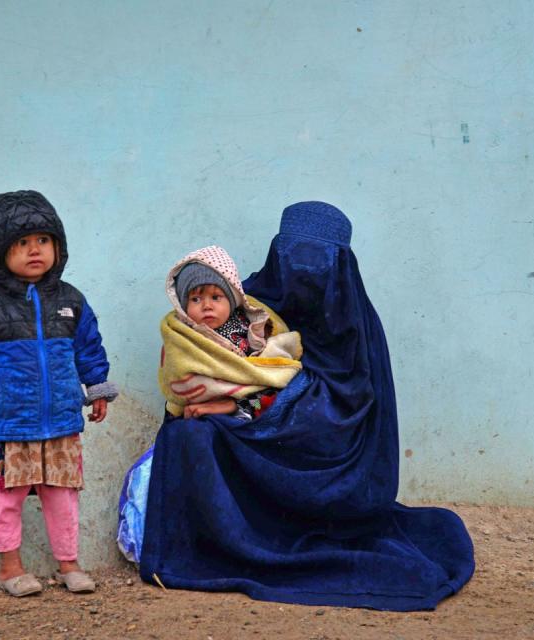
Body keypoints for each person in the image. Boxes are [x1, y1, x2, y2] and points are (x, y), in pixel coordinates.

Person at [139, 202, 474, 611]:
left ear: (340, 265)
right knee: (186, 433)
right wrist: (214, 387)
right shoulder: (243, 300)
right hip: (243, 422)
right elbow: (195, 347)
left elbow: (349, 406)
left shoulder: (356, 326)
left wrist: (265, 402)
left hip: (324, 448)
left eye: (318, 262)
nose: (304, 273)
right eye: (294, 259)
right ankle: (214, 542)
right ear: (277, 254)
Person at [0, 190, 118, 597]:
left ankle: (69, 564)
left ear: (58, 245)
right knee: (5, 498)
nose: (34, 251)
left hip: (61, 422)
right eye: (21, 243)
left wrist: (97, 388)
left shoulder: (72, 302)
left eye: (43, 241)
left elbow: (89, 349)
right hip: (7, 424)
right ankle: (10, 567)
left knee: (63, 497)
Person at [160, 245, 302, 421]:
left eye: (216, 297)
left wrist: (237, 402)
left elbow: (270, 371)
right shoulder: (182, 338)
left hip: (253, 402)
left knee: (277, 397)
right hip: (202, 409)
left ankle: (239, 410)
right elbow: (178, 374)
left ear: (231, 299)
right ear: (183, 307)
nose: (207, 306)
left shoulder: (252, 324)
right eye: (195, 299)